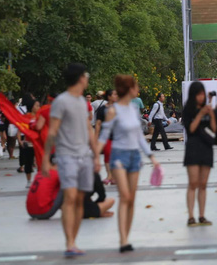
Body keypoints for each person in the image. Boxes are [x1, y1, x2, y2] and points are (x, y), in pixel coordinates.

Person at [41, 63, 101, 258]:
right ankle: (70, 243)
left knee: (80, 199)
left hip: (85, 156)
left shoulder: (82, 102)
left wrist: (96, 155)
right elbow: (52, 131)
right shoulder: (61, 101)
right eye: (87, 75)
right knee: (70, 198)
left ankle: (73, 242)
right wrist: (45, 158)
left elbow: (88, 129)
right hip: (67, 156)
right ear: (80, 78)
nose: (88, 78)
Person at [98, 75, 160, 252]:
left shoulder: (133, 109)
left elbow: (139, 137)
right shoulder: (113, 111)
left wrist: (152, 157)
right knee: (124, 196)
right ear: (129, 88)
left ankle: (126, 236)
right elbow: (104, 136)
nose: (138, 88)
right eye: (136, 86)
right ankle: (122, 239)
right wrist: (95, 156)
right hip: (118, 156)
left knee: (131, 199)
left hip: (134, 156)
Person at [182, 82, 217, 227]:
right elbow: (190, 129)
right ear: (193, 95)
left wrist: (211, 115)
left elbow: (215, 130)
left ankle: (202, 216)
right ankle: (191, 216)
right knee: (193, 183)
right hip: (193, 147)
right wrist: (200, 114)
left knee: (203, 184)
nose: (201, 97)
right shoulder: (188, 109)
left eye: (203, 94)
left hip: (207, 147)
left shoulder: (207, 109)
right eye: (198, 94)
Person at [95, 89, 118, 185]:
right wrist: (96, 137)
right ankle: (109, 175)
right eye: (114, 94)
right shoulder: (102, 109)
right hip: (107, 135)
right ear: (109, 97)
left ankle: (115, 176)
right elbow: (98, 124)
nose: (116, 96)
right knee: (108, 154)